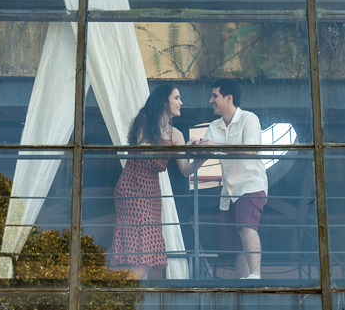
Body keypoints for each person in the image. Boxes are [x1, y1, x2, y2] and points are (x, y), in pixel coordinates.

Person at [112, 84, 194, 280]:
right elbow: (144, 149)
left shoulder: (177, 135)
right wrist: (175, 149)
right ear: (165, 101)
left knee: (145, 257)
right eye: (176, 98)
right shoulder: (145, 121)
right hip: (133, 188)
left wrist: (204, 157)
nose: (180, 102)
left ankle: (133, 301)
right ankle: (131, 302)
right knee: (141, 256)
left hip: (152, 194)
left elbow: (185, 169)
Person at [190, 78, 268, 280]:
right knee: (236, 242)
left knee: (246, 226)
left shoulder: (249, 119)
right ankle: (245, 282)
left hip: (250, 185)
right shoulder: (214, 127)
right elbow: (198, 162)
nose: (210, 100)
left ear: (228, 98)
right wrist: (194, 146)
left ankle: (255, 276)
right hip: (229, 192)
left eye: (214, 96)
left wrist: (215, 146)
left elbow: (251, 152)